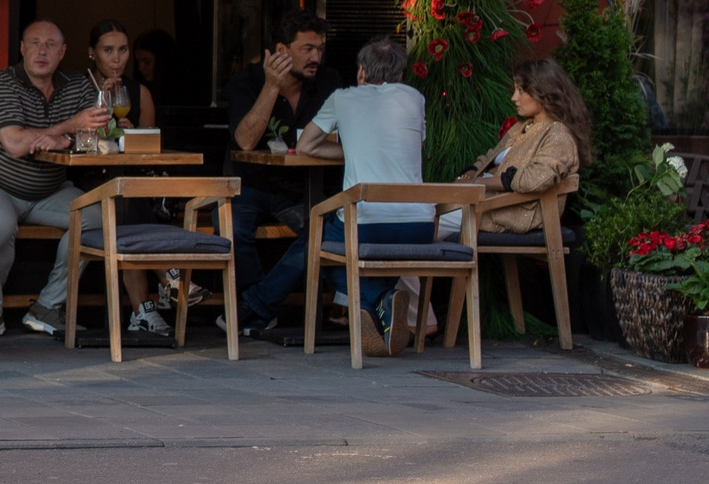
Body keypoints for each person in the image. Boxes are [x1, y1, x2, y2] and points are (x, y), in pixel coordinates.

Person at [228, 36, 430, 353]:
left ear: (361, 72)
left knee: (316, 241)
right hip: (419, 225)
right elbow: (411, 149)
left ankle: (362, 303)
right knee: (333, 242)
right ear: (401, 75)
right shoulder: (415, 100)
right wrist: (364, 150)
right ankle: (383, 301)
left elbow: (306, 146)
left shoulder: (343, 98)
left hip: (367, 221)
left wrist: (352, 149)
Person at [0, 20, 110, 340]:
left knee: (97, 217)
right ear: (22, 49)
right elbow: (15, 144)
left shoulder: (78, 86)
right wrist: (67, 127)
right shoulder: (0, 84)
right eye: (35, 43)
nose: (43, 51)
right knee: (0, 222)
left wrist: (67, 140)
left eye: (51, 44)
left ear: (63, 52)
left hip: (49, 191)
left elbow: (103, 135)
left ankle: (48, 306)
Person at [222, 11, 341, 281]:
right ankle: (252, 307)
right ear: (281, 50)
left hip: (302, 187)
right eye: (307, 49)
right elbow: (246, 141)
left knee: (324, 233)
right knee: (232, 229)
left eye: (319, 49)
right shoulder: (247, 81)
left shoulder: (329, 82)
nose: (316, 58)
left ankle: (257, 305)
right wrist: (271, 86)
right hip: (249, 185)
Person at [85, 20, 170, 342]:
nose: (117, 59)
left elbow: (146, 152)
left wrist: (130, 132)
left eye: (123, 50)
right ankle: (167, 279)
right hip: (88, 180)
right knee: (124, 199)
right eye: (108, 51)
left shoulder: (138, 92)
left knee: (128, 196)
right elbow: (77, 143)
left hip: (130, 182)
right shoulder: (80, 88)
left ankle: (143, 311)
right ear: (93, 54)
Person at [461, 57, 590, 238]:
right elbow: (488, 158)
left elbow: (534, 178)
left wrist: (476, 184)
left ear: (543, 92)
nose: (514, 97)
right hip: (477, 202)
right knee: (425, 212)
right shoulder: (520, 128)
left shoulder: (558, 135)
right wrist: (468, 176)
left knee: (424, 220)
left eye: (521, 90)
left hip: (504, 212)